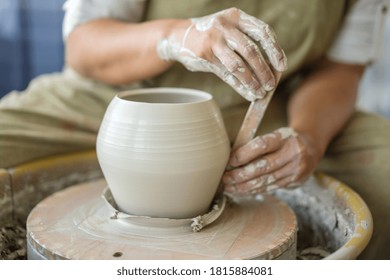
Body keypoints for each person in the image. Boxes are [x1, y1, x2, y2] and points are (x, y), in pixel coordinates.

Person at [0, 0, 389, 259]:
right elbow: (85, 46)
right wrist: (178, 36)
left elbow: (340, 69)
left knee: (384, 177)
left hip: (268, 104)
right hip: (118, 99)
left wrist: (309, 137)